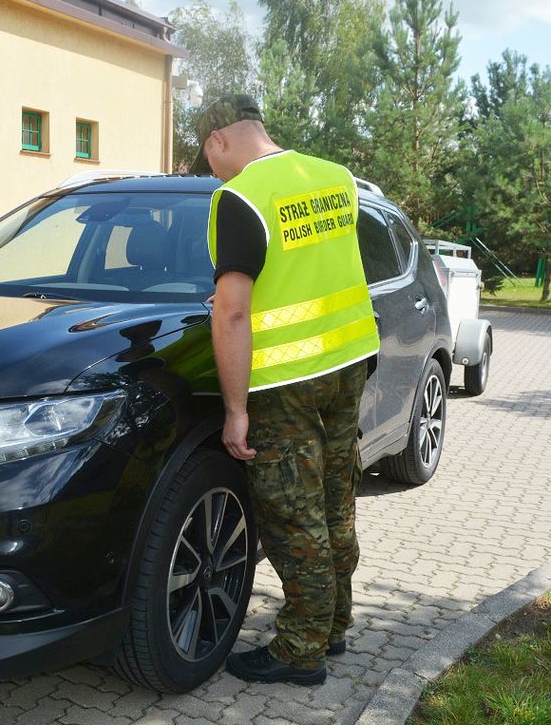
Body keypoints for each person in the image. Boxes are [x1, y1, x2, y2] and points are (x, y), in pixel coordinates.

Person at [190, 94, 380, 686]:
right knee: (335, 503)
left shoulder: (240, 197)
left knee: (294, 518)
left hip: (286, 380)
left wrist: (236, 410)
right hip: (348, 361)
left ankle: (301, 650)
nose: (210, 172)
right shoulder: (335, 178)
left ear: (218, 138)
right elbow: (319, 269)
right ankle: (335, 624)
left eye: (206, 157)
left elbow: (232, 314)